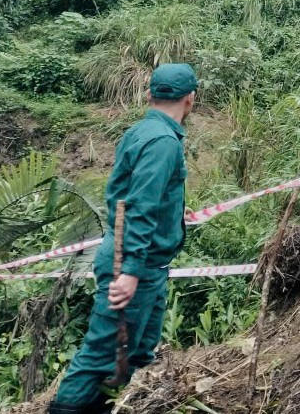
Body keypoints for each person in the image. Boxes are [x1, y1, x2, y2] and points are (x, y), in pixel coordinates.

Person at [48, 64, 197, 414]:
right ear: (191, 99)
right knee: (100, 354)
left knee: (140, 352)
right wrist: (130, 271)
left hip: (147, 264)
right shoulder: (162, 142)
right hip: (134, 264)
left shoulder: (141, 131)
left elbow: (137, 199)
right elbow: (142, 207)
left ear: (150, 95)